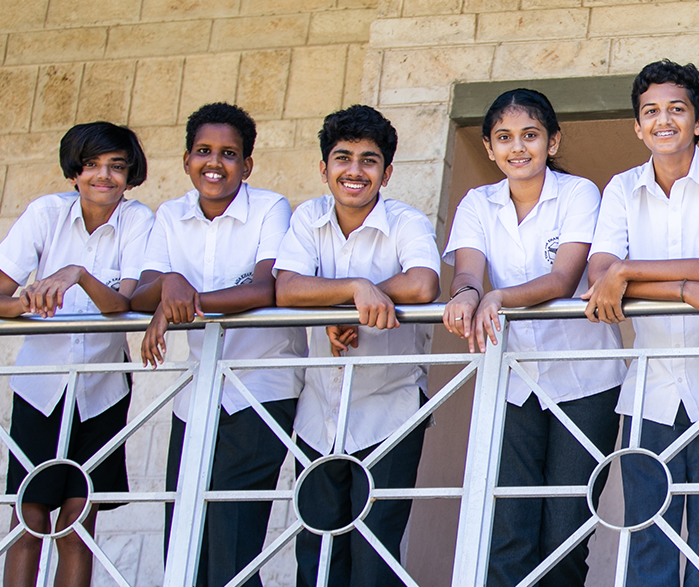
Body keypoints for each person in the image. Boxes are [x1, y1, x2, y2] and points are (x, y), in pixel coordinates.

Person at [584, 60, 699, 586]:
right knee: (650, 545)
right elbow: (599, 276)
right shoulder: (621, 189)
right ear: (637, 126)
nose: (664, 120)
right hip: (651, 394)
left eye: (677, 109)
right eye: (651, 112)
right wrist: (687, 289)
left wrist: (626, 272)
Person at [442, 88, 625, 586]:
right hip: (512, 382)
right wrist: (464, 294)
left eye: (530, 135)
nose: (517, 147)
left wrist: (497, 297)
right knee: (508, 531)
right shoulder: (477, 203)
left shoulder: (579, 193)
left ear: (552, 140)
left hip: (586, 383)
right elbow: (468, 271)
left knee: (565, 534)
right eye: (504, 138)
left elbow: (563, 280)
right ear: (488, 148)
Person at [135, 102, 306, 587]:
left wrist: (182, 301)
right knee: (184, 539)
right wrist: (169, 282)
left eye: (229, 153)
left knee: (233, 542)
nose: (215, 162)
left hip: (261, 390)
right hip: (196, 399)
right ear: (187, 159)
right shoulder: (170, 214)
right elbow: (142, 289)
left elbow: (264, 288)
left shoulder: (270, 207)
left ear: (246, 165)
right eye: (204, 151)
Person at [0, 121, 153, 587]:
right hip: (40, 387)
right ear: (74, 172)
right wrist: (28, 300)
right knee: (28, 522)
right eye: (92, 165)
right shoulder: (45, 214)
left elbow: (124, 302)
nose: (104, 176)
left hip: (102, 389)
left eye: (117, 166)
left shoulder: (139, 220)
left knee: (77, 527)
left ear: (130, 173)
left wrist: (75, 273)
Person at [274, 105, 441, 587]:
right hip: (318, 413)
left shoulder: (405, 220)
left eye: (369, 160)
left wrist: (361, 296)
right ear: (323, 167)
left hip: (389, 412)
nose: (354, 170)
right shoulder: (309, 216)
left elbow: (423, 284)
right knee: (318, 554)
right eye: (342, 158)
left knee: (375, 560)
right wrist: (354, 291)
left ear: (386, 173)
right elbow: (287, 287)